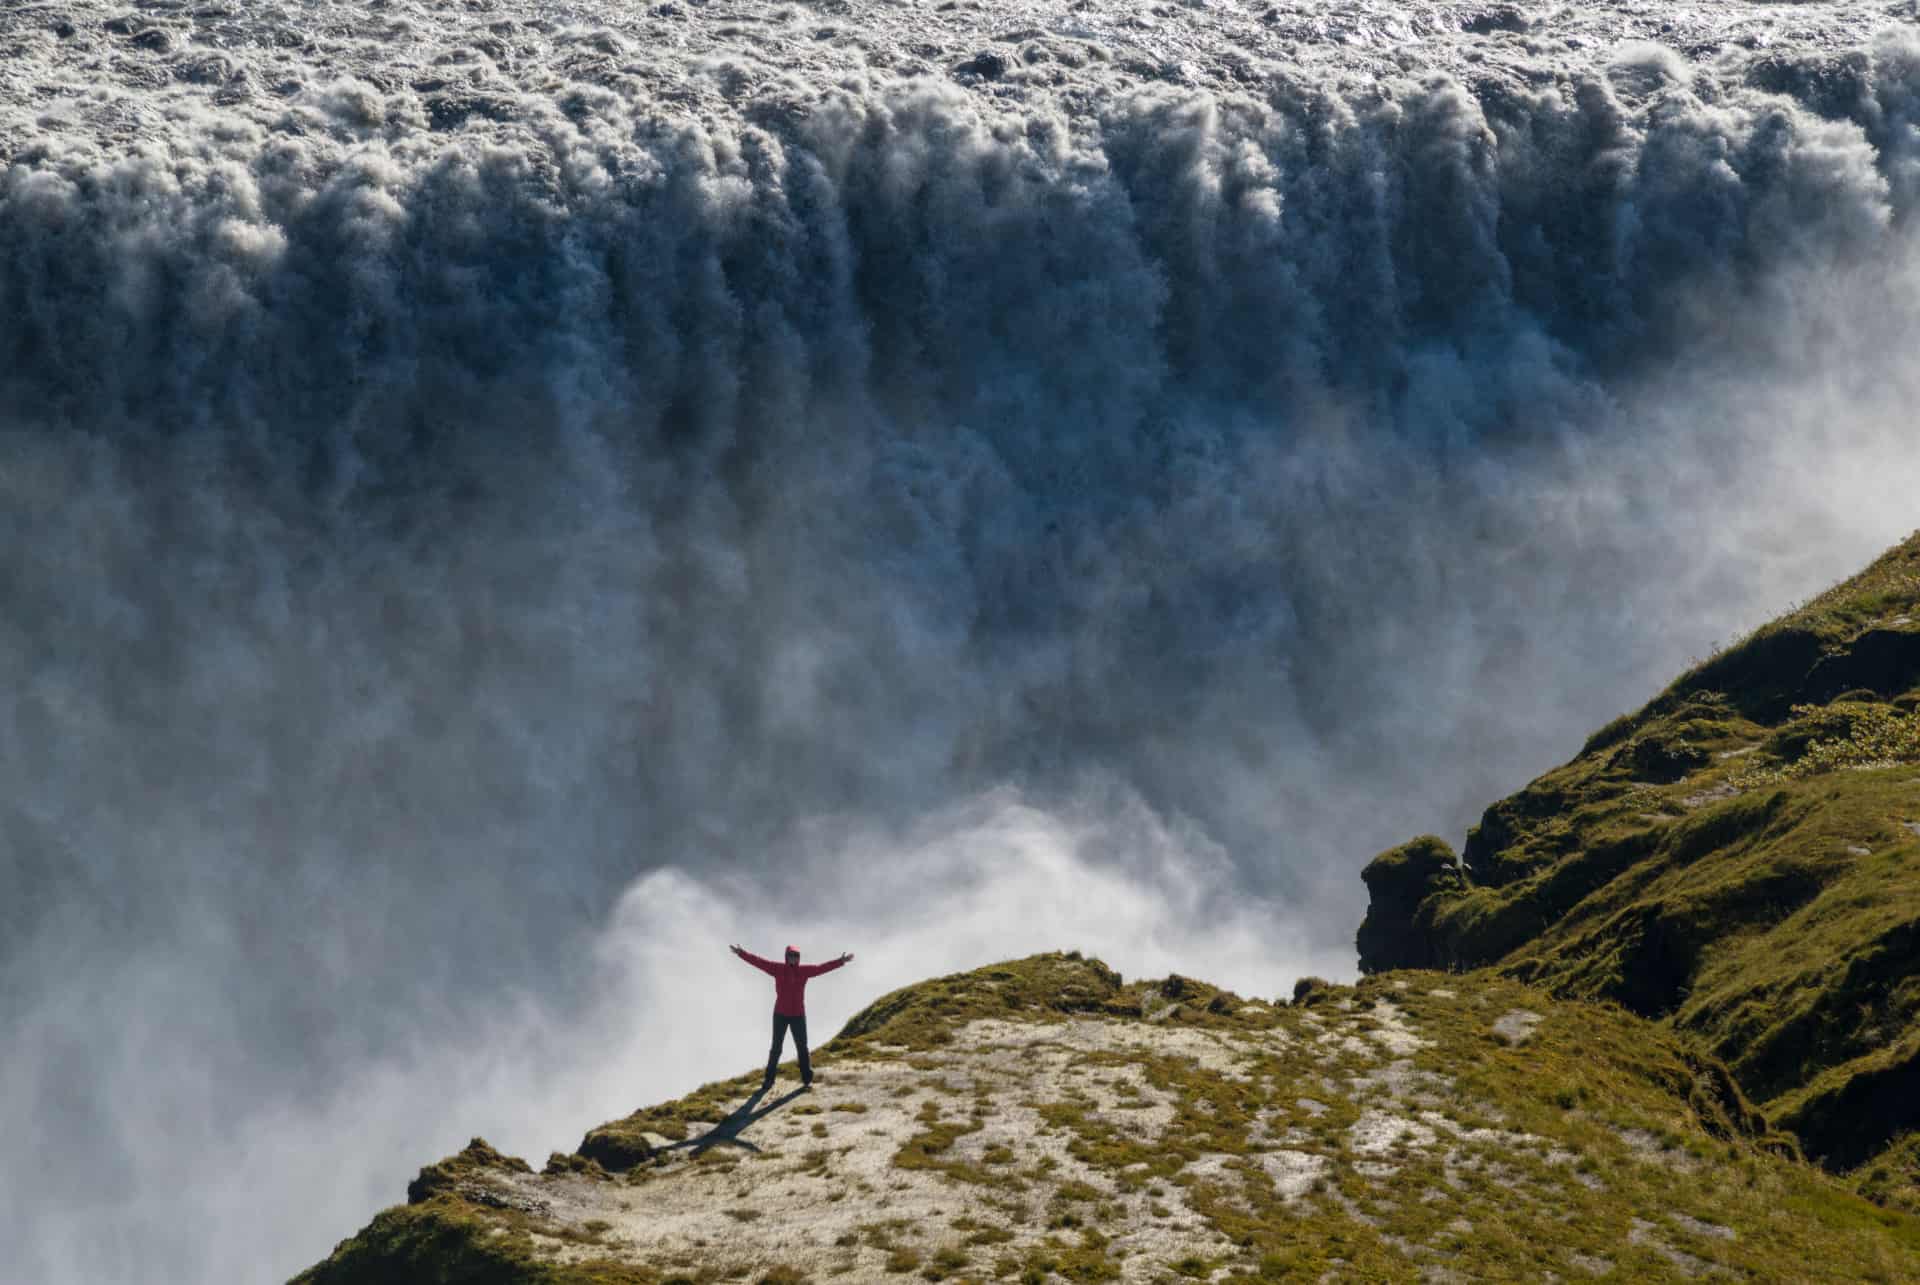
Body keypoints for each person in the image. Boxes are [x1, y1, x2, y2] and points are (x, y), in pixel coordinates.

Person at [731, 943, 853, 1090]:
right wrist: (741, 953)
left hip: (798, 1015)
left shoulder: (804, 971)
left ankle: (807, 1080)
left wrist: (840, 961)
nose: (793, 958)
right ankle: (769, 1081)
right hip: (780, 1015)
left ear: (799, 958)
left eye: (796, 956)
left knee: (802, 1048)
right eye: (791, 955)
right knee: (776, 1048)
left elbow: (821, 968)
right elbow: (759, 962)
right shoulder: (777, 969)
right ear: (786, 957)